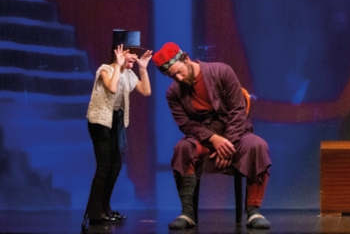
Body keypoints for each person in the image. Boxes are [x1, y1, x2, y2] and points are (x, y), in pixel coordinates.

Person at [153, 42, 272, 230]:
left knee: (257, 146)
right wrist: (213, 139)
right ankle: (188, 213)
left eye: (179, 72)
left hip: (235, 134)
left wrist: (227, 145)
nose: (178, 78)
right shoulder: (173, 93)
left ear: (186, 58)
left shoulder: (222, 72)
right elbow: (186, 124)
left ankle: (254, 211)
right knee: (183, 148)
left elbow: (238, 110)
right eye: (172, 76)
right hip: (204, 139)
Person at [84, 30, 152, 228]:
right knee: (104, 166)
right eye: (132, 54)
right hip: (100, 121)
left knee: (115, 166)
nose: (134, 59)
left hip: (116, 121)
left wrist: (143, 69)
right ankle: (95, 213)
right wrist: (117, 65)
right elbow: (112, 88)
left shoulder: (129, 74)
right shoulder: (105, 70)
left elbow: (146, 91)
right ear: (119, 52)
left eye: (136, 56)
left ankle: (105, 208)